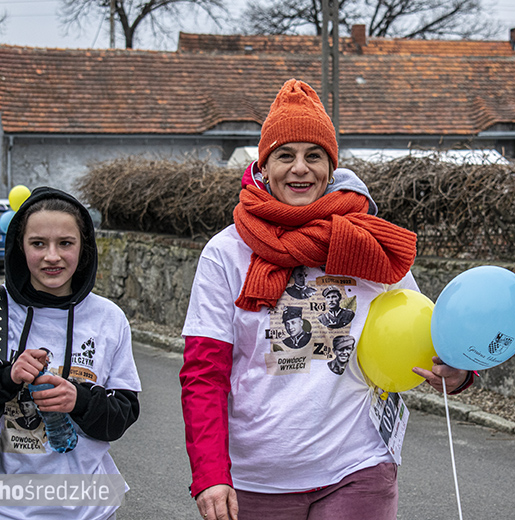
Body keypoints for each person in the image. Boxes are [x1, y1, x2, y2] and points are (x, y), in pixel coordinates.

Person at [180, 79, 475, 520]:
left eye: (314, 156)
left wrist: (458, 372)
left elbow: (425, 332)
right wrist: (210, 473)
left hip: (357, 466)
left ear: (331, 168)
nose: (300, 169)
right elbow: (204, 373)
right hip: (256, 479)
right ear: (264, 166)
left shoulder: (368, 243)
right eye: (285, 155)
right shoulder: (226, 253)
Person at [0, 187, 141, 519]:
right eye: (38, 243)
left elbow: (123, 414)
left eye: (65, 243)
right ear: (20, 246)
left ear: (84, 247)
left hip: (90, 505)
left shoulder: (109, 318)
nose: (52, 256)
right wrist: (5, 377)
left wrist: (79, 400)